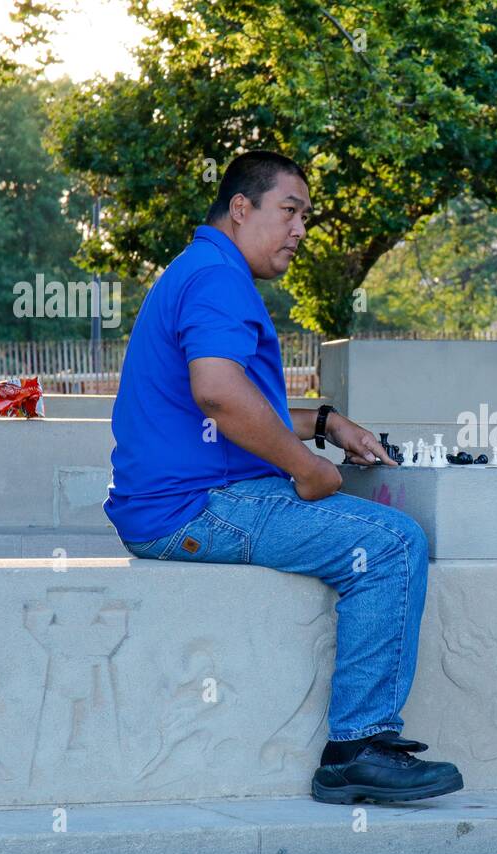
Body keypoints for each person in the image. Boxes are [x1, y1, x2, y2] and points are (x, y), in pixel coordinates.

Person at [103, 150, 463, 804]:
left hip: (188, 499)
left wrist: (325, 424)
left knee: (377, 531)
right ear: (241, 208)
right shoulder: (218, 278)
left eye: (306, 216)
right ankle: (359, 749)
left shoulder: (202, 268)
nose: (300, 229)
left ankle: (362, 745)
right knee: (390, 545)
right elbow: (217, 393)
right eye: (289, 211)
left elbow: (223, 408)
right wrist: (307, 469)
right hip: (194, 510)